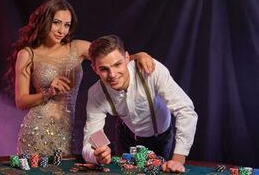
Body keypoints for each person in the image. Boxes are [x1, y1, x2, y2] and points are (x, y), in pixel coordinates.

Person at [5, 0, 155, 157]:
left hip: (67, 131)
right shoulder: (28, 54)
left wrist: (139, 55)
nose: (61, 30)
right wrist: (49, 92)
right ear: (44, 20)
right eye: (56, 22)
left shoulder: (77, 48)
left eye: (67, 25)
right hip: (36, 130)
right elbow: (21, 101)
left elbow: (111, 58)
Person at [82, 35, 198, 173]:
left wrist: (178, 159)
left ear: (127, 58)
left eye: (117, 64)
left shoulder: (150, 70)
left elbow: (186, 110)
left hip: (159, 137)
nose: (112, 75)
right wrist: (97, 155)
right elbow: (91, 138)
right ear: (94, 69)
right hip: (126, 136)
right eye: (104, 69)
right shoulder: (96, 93)